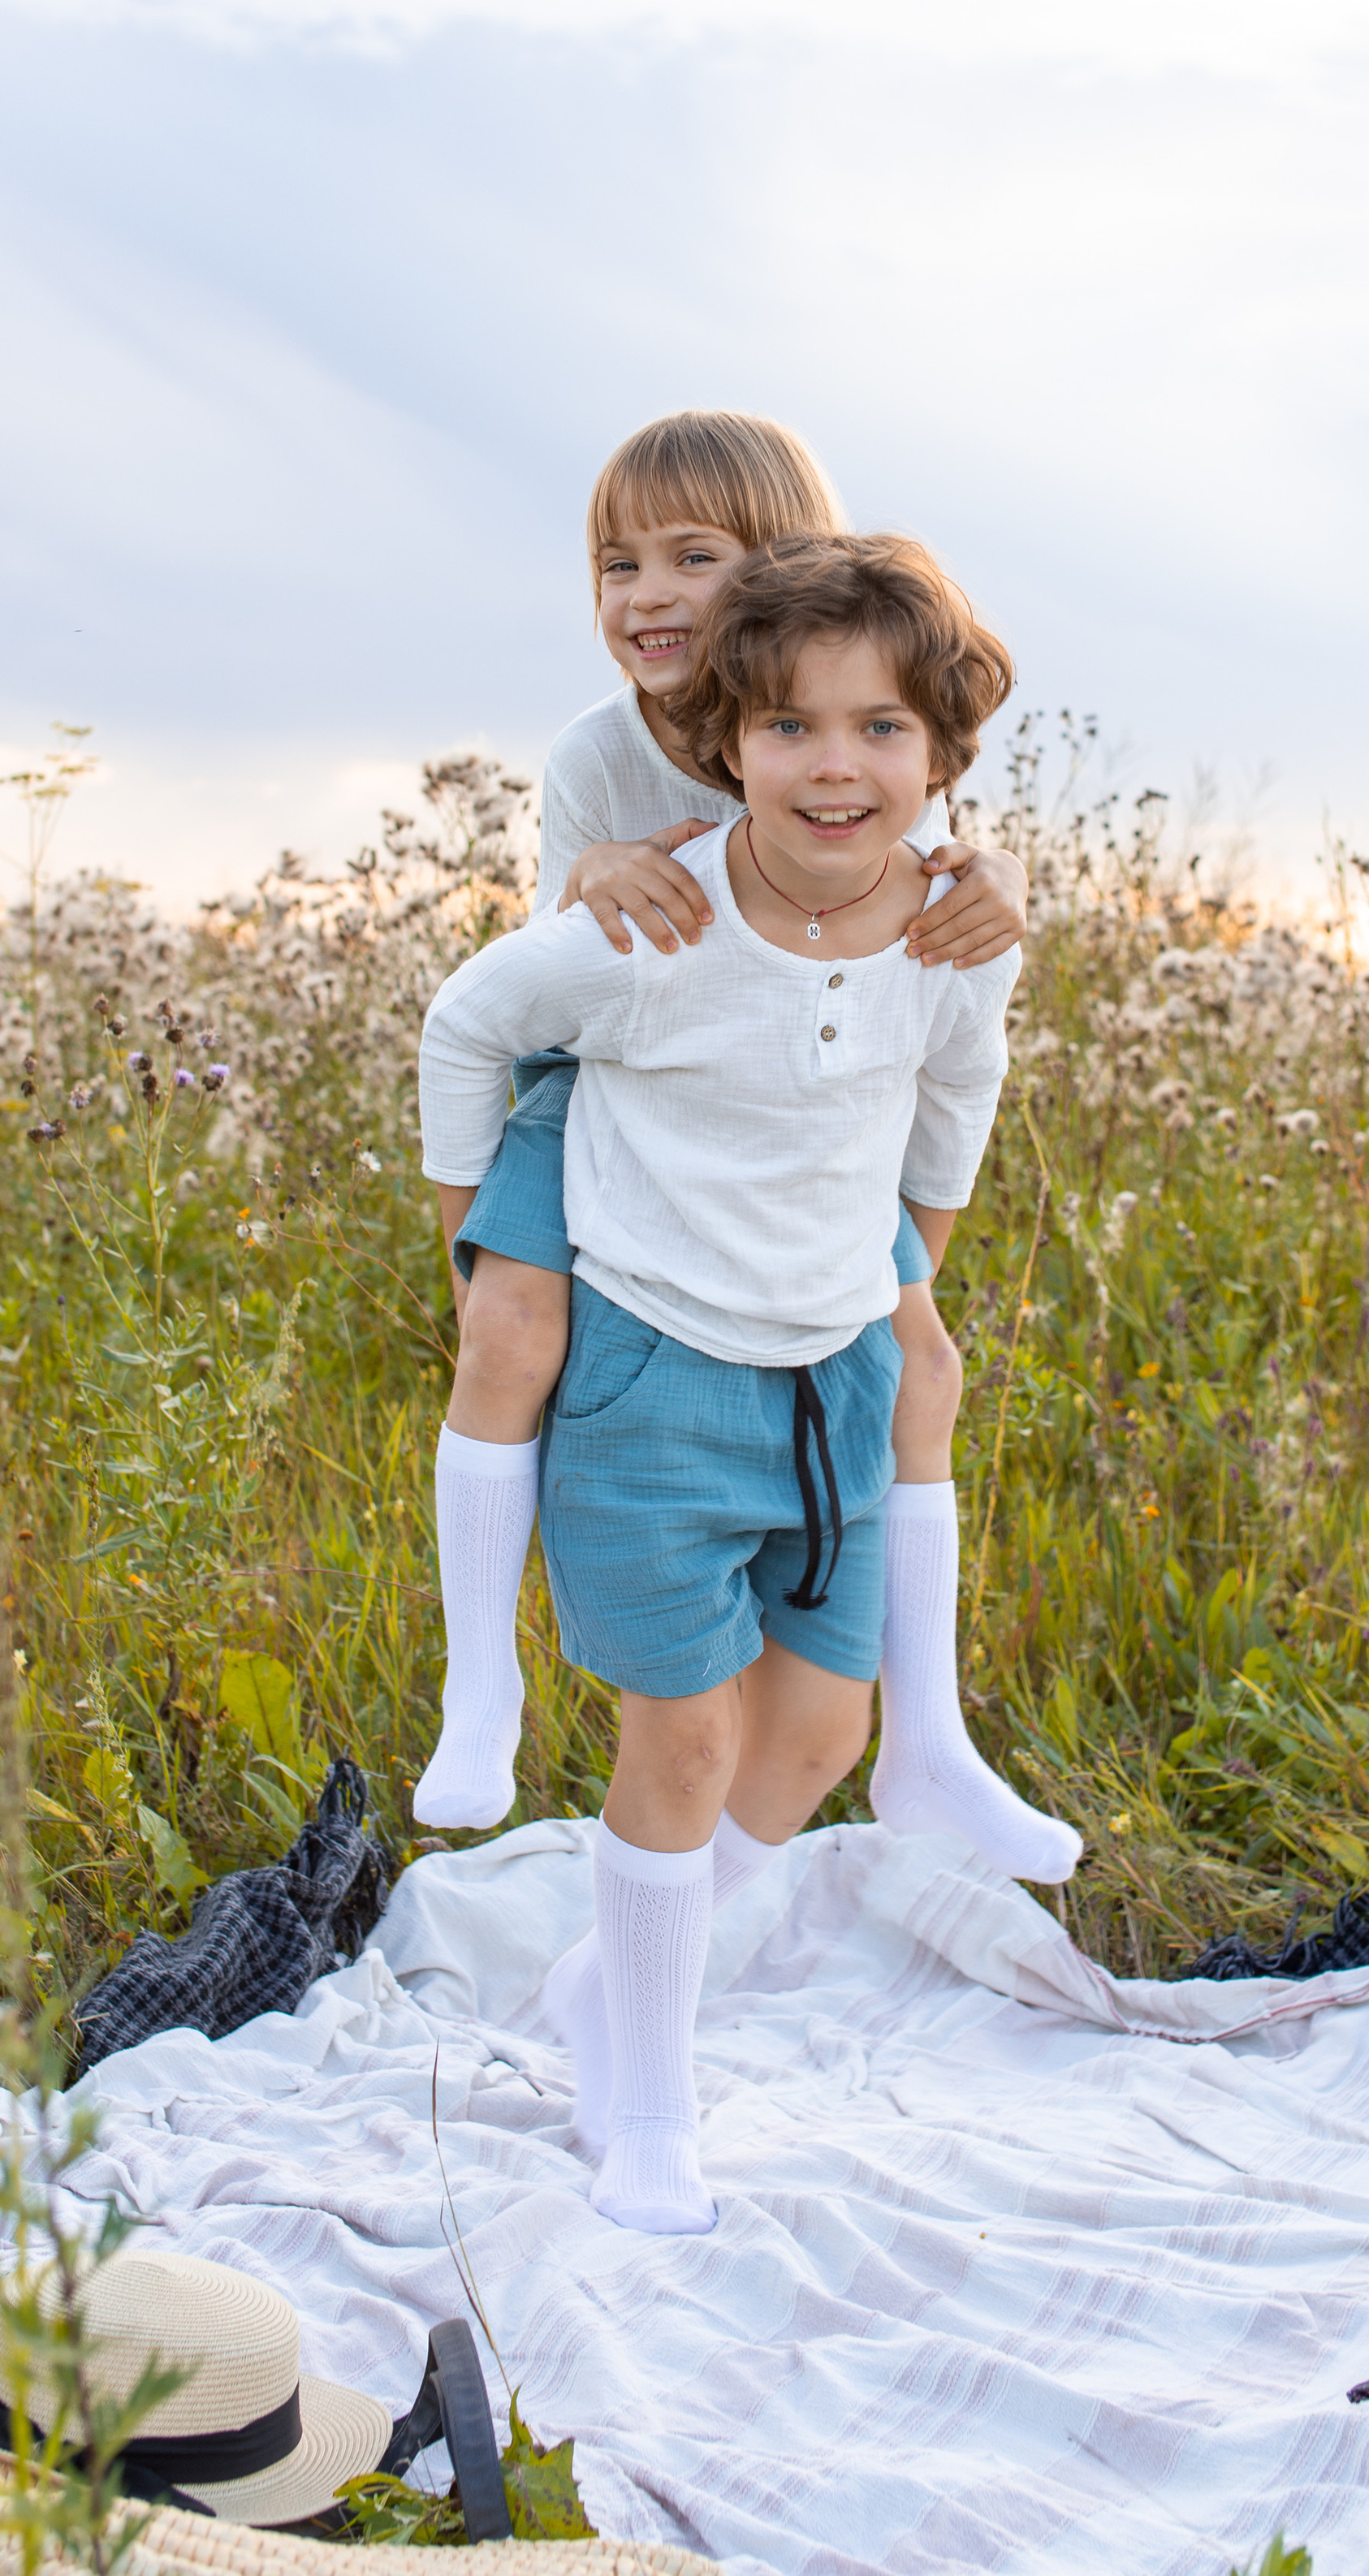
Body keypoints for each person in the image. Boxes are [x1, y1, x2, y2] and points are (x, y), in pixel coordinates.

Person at [418, 532, 1082, 2235]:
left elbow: (958, 1089)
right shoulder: (651, 920)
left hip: (831, 1362)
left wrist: (902, 1262)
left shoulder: (955, 926)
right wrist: (473, 1229)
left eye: (876, 732)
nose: (833, 765)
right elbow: (469, 1021)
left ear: (938, 761)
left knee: (811, 1743)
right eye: (790, 730)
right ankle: (642, 2096)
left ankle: (603, 1977)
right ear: (728, 747)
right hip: (654, 1363)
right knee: (691, 1747)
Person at [414, 410, 1030, 1834]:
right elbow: (548, 982)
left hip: (807, 1097)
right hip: (617, 1068)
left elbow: (906, 823)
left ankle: (924, 1733)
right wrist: (606, 878)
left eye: (695, 556)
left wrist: (982, 867)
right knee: (509, 1331)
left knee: (919, 1351)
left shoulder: (834, 698)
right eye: (615, 564)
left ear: (786, 571)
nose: (648, 595)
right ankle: (478, 1687)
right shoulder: (596, 754)